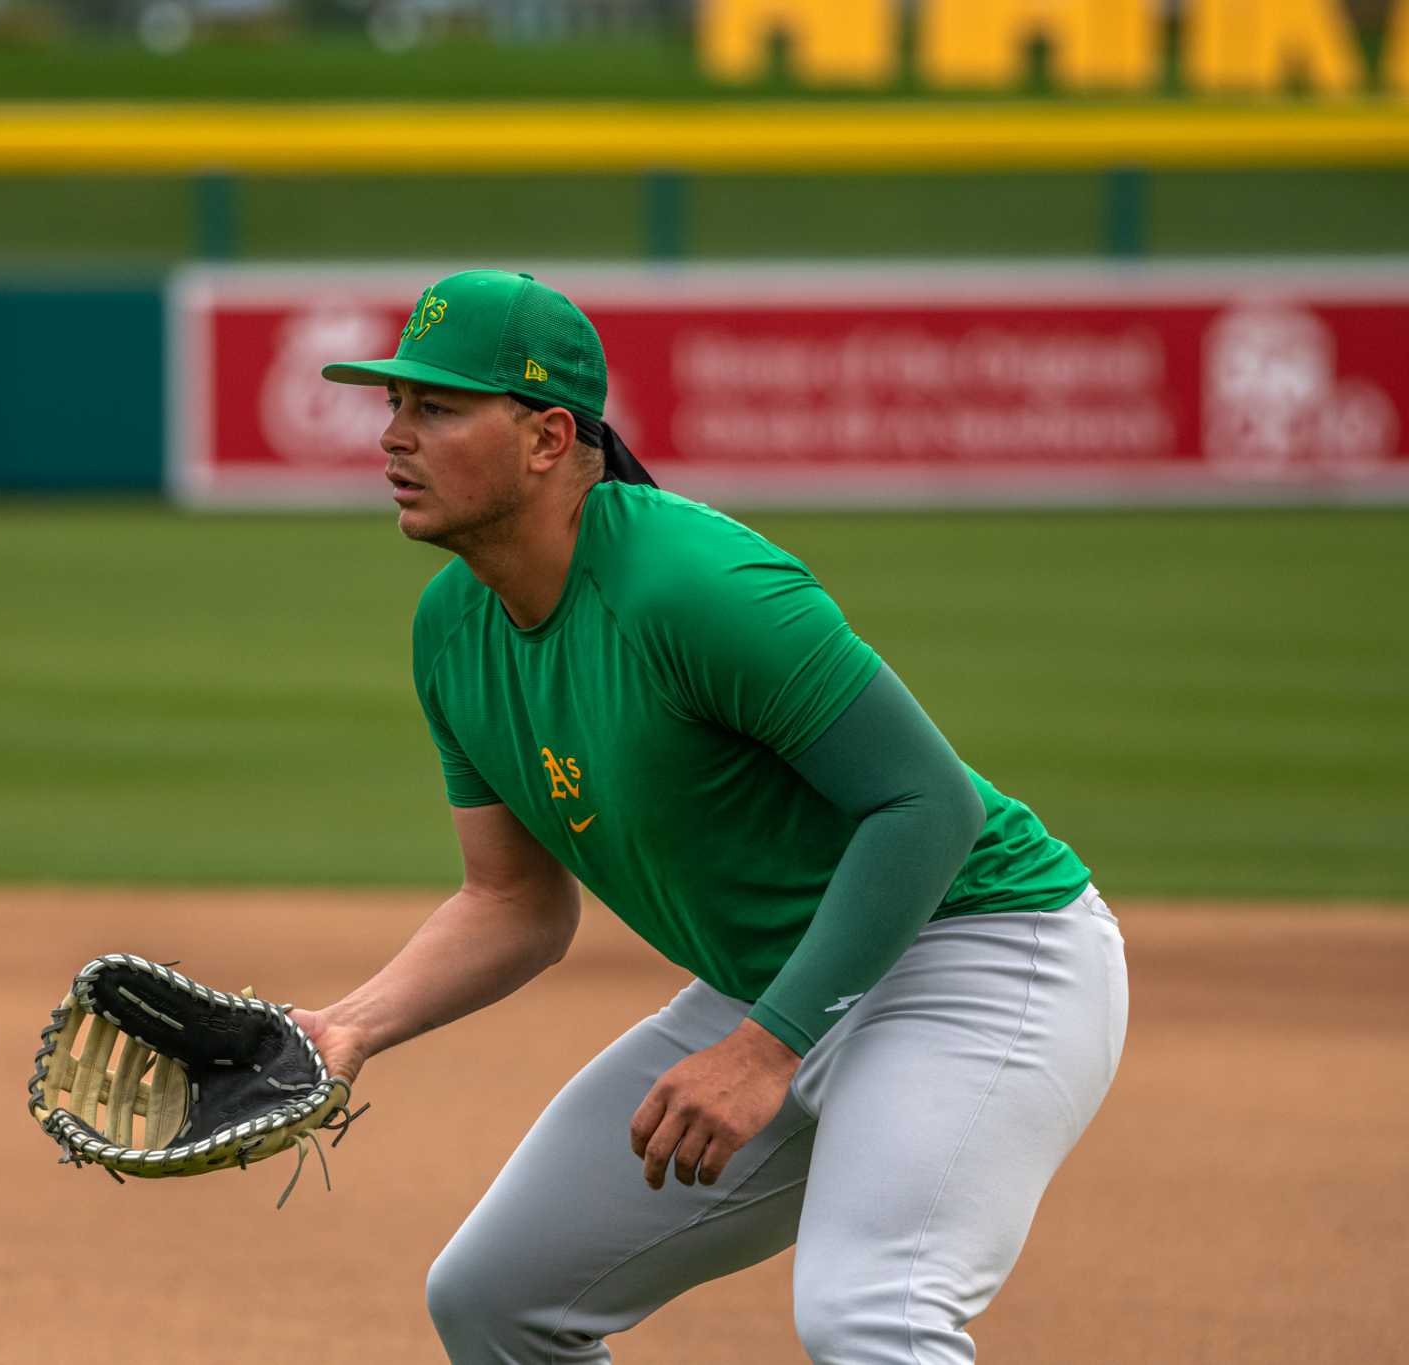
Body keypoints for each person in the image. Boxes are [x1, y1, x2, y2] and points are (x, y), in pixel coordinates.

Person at [288, 269, 1129, 1364]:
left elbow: (929, 806)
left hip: (972, 955)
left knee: (872, 1312)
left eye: (436, 408)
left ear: (548, 438)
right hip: (773, 989)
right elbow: (510, 903)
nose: (393, 436)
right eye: (393, 404)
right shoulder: (452, 628)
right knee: (494, 1299)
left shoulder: (694, 584)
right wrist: (348, 1029)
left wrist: (764, 1046)